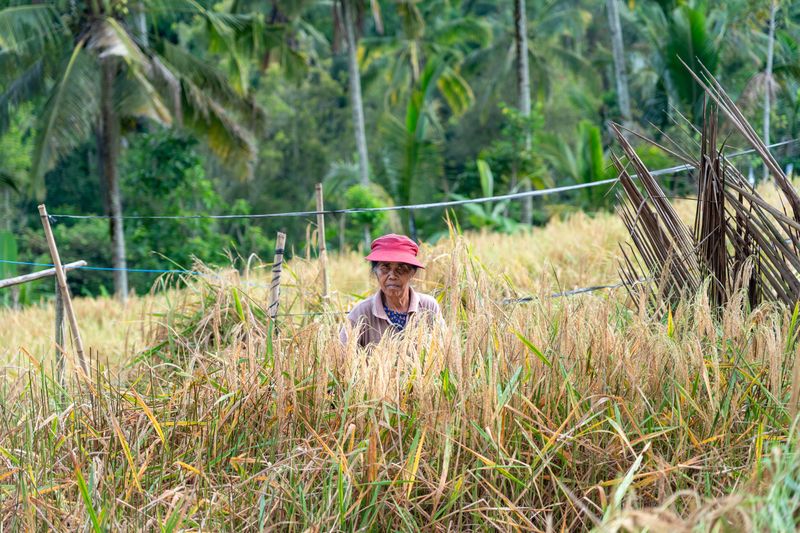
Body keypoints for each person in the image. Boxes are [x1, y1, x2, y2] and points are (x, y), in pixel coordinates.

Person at [340, 234, 442, 348]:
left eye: (401, 268)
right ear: (376, 272)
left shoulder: (428, 307)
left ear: (412, 273)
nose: (392, 276)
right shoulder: (361, 313)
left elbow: (443, 351)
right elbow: (342, 358)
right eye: (385, 268)